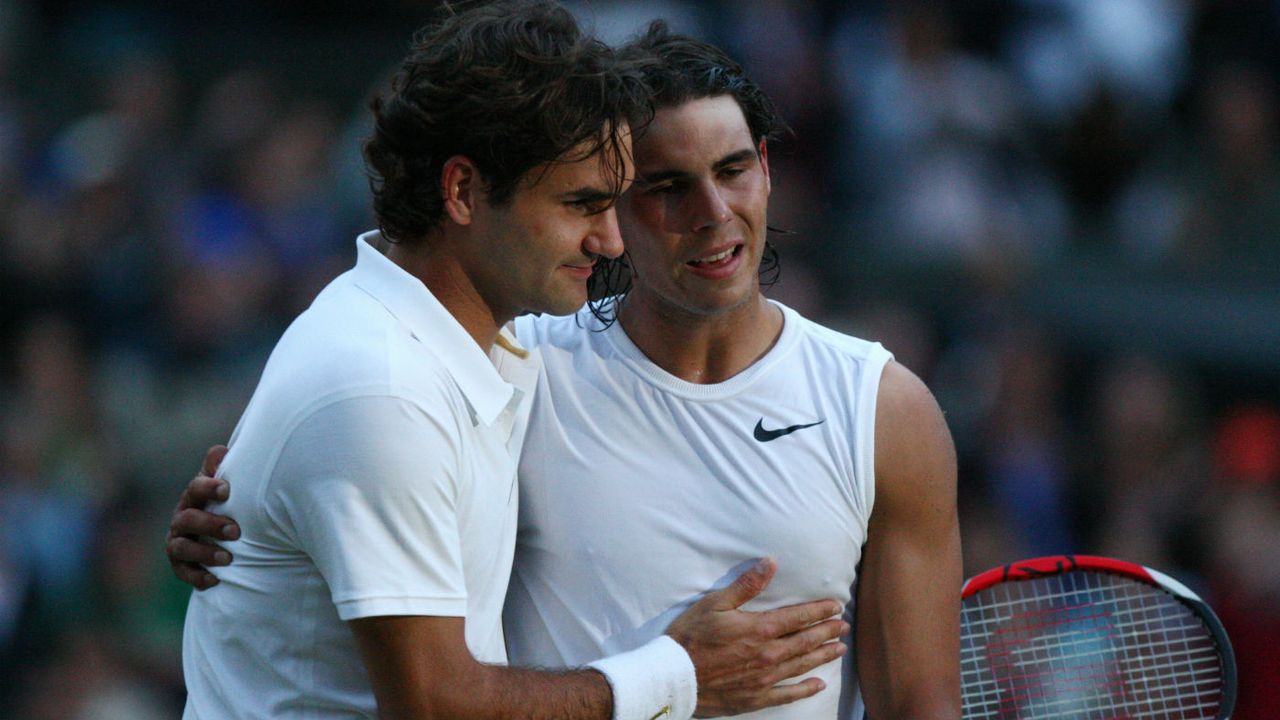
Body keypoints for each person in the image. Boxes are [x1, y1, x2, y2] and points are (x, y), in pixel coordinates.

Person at [169, 17, 961, 719]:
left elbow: (922, 704)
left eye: (731, 171)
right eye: (661, 188)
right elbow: (349, 434)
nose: (714, 214)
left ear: (765, 164)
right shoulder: (508, 365)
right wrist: (240, 528)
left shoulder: (882, 410)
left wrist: (251, 525)